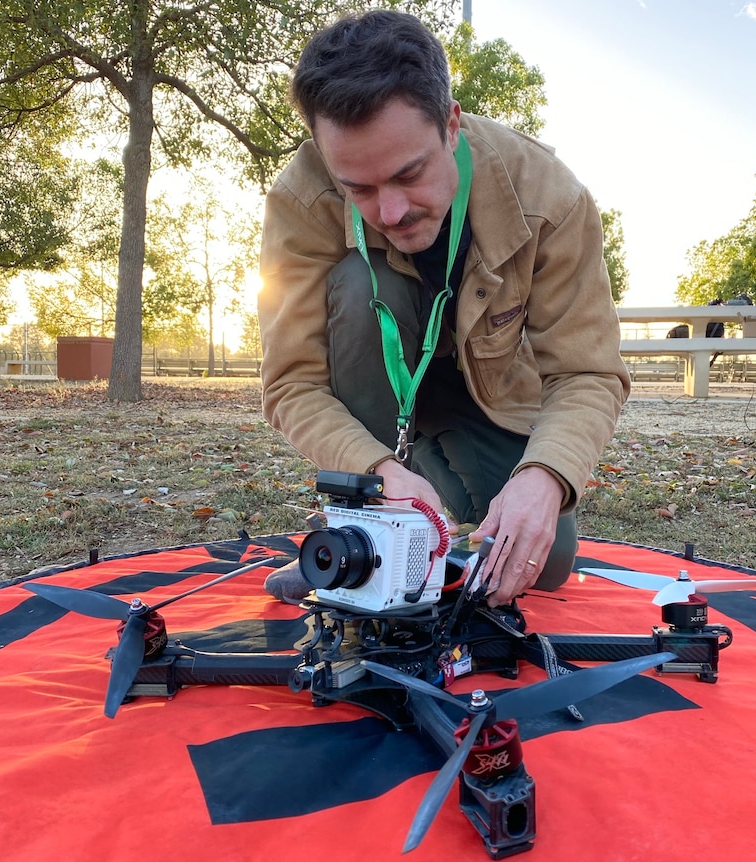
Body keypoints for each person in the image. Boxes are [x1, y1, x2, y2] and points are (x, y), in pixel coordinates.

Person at [257, 9, 630, 607]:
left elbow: (587, 371)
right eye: (359, 187)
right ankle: (370, 526)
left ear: (451, 126)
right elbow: (291, 384)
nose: (392, 211)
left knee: (546, 560)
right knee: (357, 282)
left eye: (410, 173)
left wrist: (544, 480)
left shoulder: (551, 197)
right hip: (374, 381)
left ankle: (433, 510)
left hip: (490, 398)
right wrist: (375, 471)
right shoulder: (300, 198)